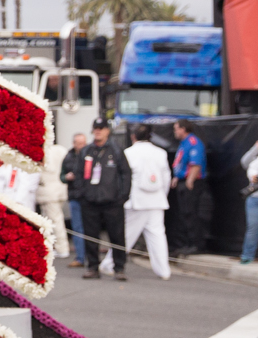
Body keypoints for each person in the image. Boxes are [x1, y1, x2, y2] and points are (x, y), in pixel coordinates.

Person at [77, 119, 132, 280]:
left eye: (101, 128)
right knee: (91, 235)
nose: (98, 131)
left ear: (107, 131)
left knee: (117, 235)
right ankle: (93, 267)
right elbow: (79, 173)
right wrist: (82, 194)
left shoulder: (116, 150)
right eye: (96, 128)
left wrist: (123, 195)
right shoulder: (86, 151)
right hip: (90, 201)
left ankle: (119, 267)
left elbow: (125, 174)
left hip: (112, 201)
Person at [120, 125, 173, 279]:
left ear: (133, 136)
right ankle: (164, 270)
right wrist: (163, 195)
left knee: (127, 235)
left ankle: (111, 263)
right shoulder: (160, 153)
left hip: (137, 200)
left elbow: (125, 178)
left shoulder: (128, 153)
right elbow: (166, 178)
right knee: (157, 236)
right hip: (157, 199)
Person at [170, 118, 209, 256]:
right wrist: (176, 177)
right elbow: (181, 163)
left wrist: (190, 181)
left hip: (191, 182)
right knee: (184, 213)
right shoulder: (183, 143)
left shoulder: (194, 142)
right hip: (182, 180)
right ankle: (186, 243)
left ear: (183, 129)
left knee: (191, 213)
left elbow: (195, 164)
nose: (175, 132)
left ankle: (196, 244)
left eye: (176, 128)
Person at [56, 131, 90, 266]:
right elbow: (61, 176)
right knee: (77, 227)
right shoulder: (68, 157)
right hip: (75, 196)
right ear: (73, 144)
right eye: (79, 143)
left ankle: (92, 257)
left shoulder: (91, 154)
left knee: (90, 228)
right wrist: (67, 177)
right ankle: (80, 257)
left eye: (83, 143)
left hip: (89, 197)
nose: (82, 146)